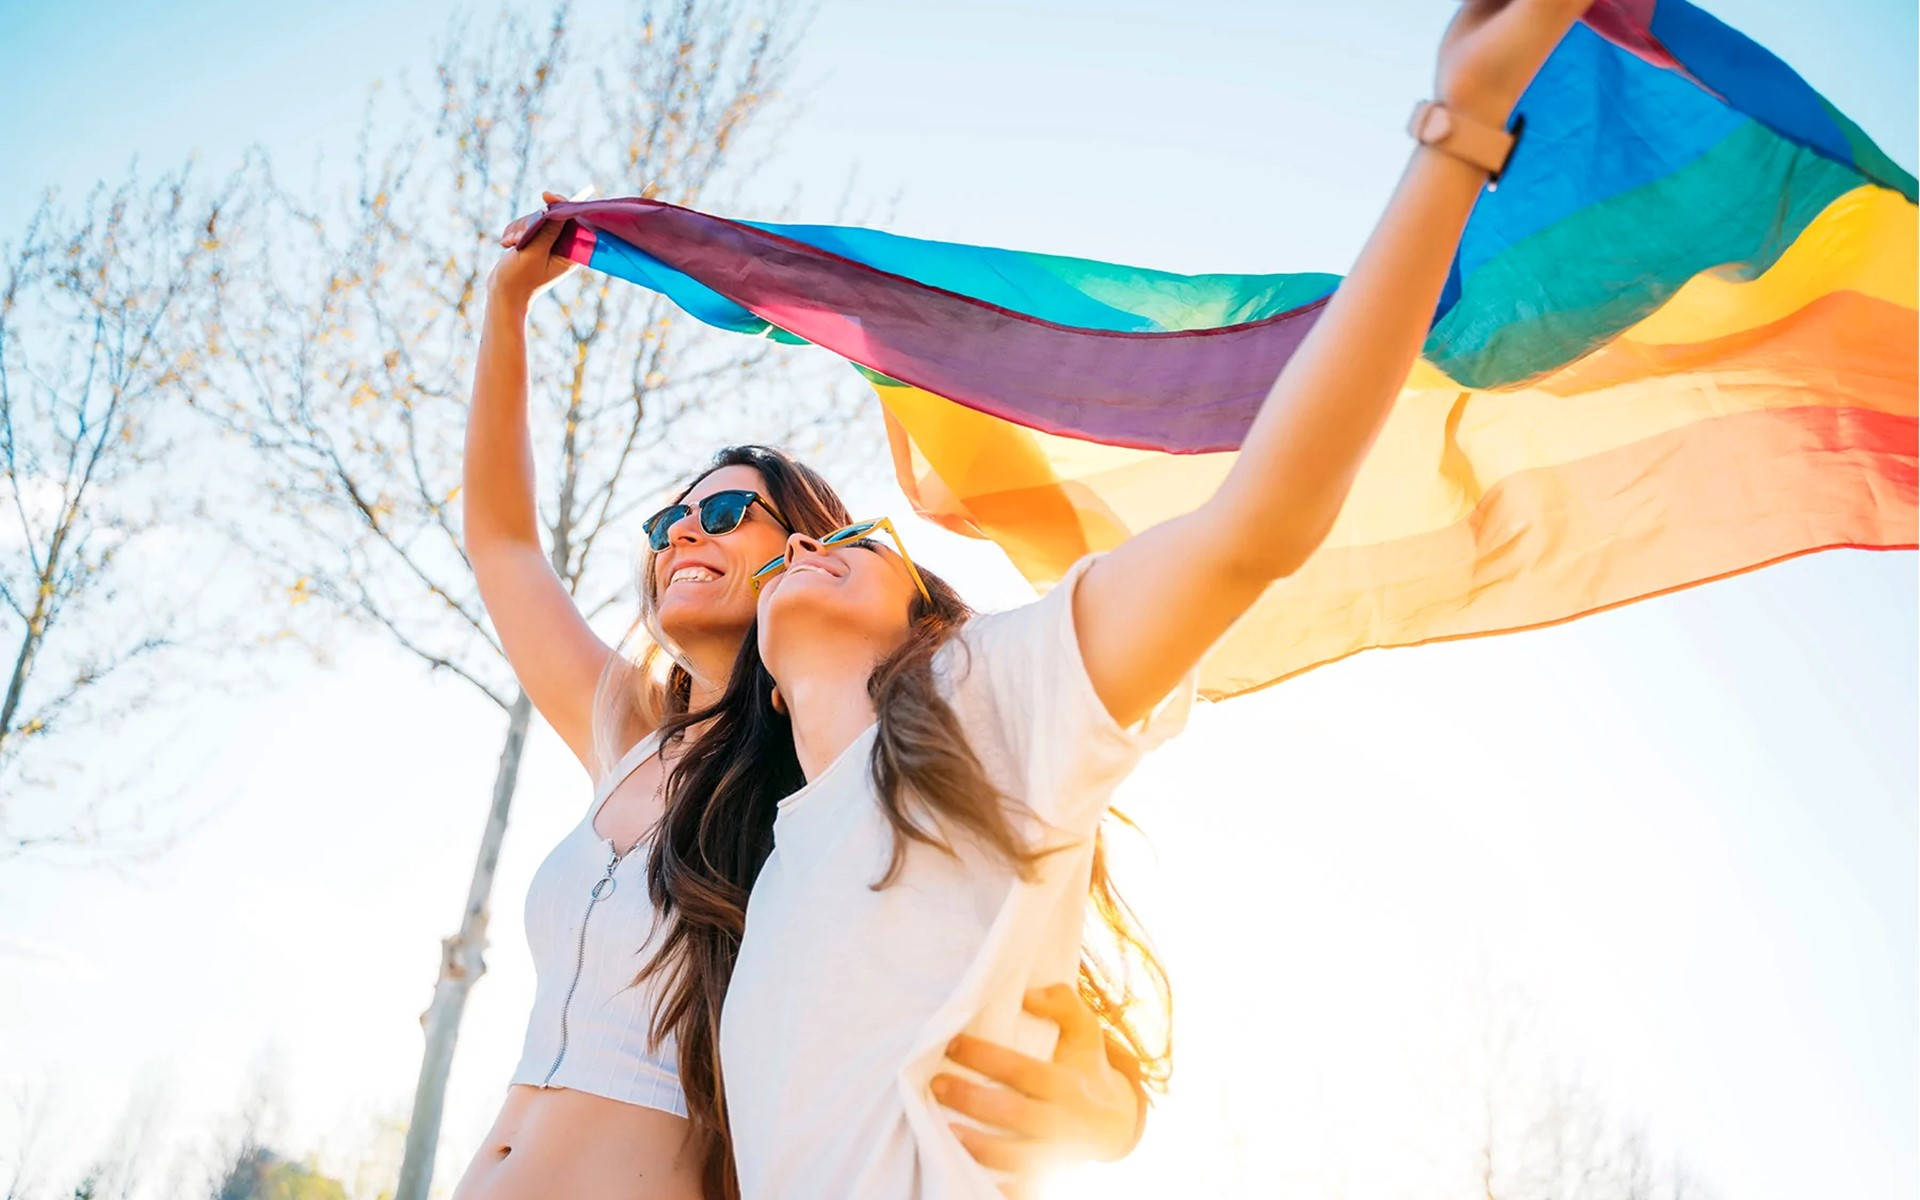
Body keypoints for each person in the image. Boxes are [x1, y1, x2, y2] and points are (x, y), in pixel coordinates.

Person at [642, 2, 1593, 1197]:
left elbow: (1263, 519)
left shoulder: (991, 696)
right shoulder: (761, 862)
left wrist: (1455, 136)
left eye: (858, 540)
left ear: (928, 619)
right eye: (774, 556)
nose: (806, 556)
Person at [451, 227, 1155, 1198]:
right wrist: (507, 304)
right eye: (669, 523)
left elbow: (1003, 935)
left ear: (805, 555)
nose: (684, 531)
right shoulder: (628, 730)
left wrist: (1111, 1116)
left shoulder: (841, 768)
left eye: (729, 513)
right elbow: (502, 545)